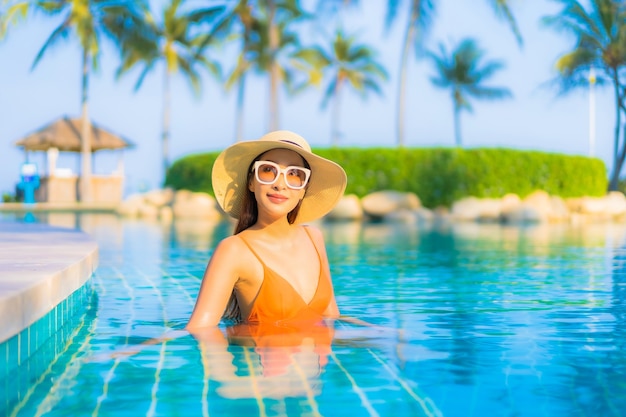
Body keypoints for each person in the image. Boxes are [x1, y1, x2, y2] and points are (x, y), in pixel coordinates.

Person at [186, 130, 348, 330]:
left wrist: (381, 334)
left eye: (294, 174)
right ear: (252, 182)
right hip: (259, 361)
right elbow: (199, 330)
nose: (280, 184)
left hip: (318, 360)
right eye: (268, 170)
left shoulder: (314, 238)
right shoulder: (233, 251)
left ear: (303, 190)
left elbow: (331, 316)